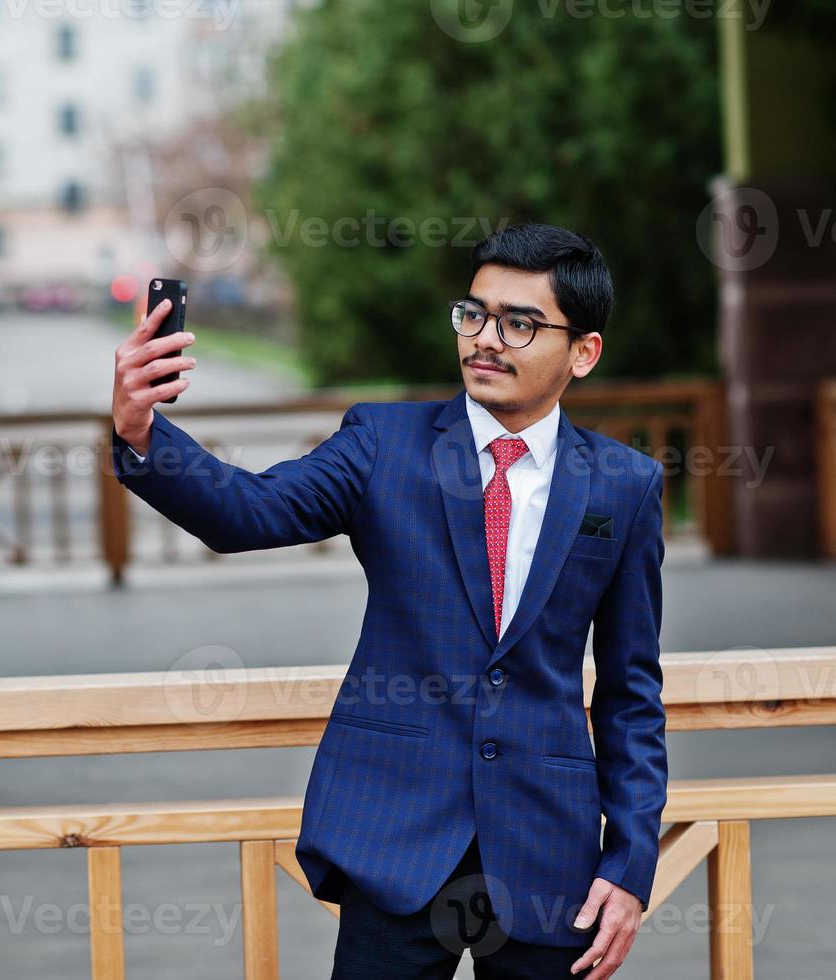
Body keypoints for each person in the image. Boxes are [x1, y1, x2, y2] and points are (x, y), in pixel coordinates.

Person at [107, 222, 666, 979]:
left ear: (583, 352)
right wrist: (144, 432)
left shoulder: (623, 485)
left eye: (519, 323)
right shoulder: (383, 442)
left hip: (548, 856)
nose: (485, 339)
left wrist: (630, 862)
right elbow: (250, 512)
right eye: (472, 314)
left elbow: (632, 692)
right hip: (396, 839)